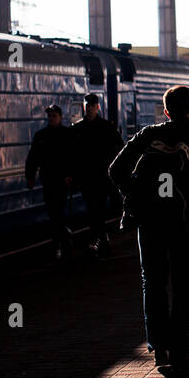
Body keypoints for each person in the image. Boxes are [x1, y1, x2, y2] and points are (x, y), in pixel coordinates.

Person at [109, 85, 189, 378]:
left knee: (152, 282)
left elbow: (116, 169)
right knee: (184, 288)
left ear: (166, 111)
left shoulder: (148, 135)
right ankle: (180, 357)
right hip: (187, 224)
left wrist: (135, 195)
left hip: (150, 222)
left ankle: (160, 349)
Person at [72, 92, 123, 257]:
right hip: (86, 177)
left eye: (92, 107)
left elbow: (119, 148)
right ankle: (102, 239)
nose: (89, 109)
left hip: (102, 176)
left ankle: (96, 239)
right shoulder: (77, 129)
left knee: (97, 208)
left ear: (97, 107)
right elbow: (71, 154)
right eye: (87, 107)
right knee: (93, 208)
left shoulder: (107, 127)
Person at [25, 104, 74, 260]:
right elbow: (33, 157)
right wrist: (30, 176)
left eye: (54, 116)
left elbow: (74, 157)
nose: (51, 118)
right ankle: (63, 240)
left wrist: (71, 175)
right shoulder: (41, 136)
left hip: (62, 181)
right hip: (48, 180)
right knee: (54, 213)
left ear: (60, 117)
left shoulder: (67, 135)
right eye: (50, 116)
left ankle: (59, 243)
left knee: (57, 212)